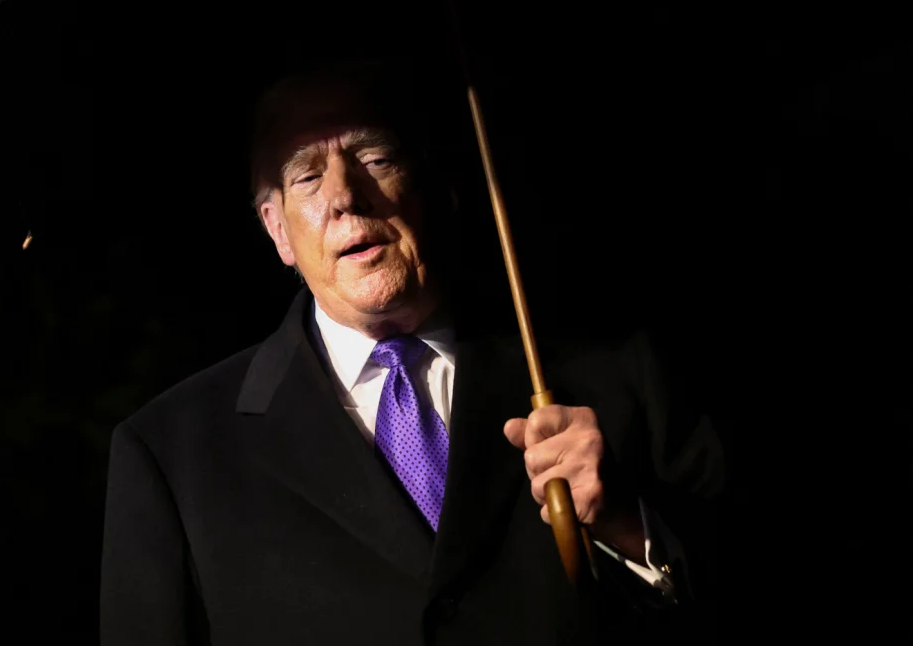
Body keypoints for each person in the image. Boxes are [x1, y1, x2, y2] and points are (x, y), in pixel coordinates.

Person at [99, 60, 726, 646]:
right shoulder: (172, 453)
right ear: (277, 229)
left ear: (437, 187)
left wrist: (628, 526)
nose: (346, 196)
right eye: (307, 176)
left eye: (374, 157)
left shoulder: (614, 373)